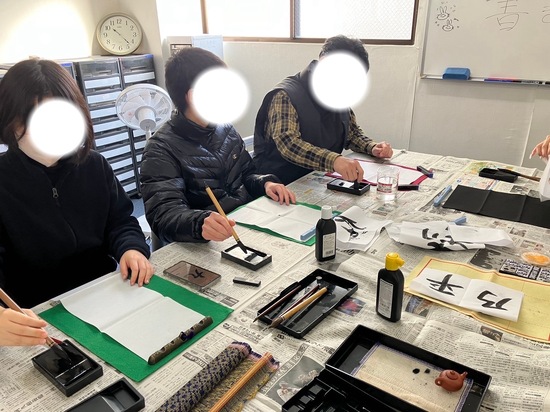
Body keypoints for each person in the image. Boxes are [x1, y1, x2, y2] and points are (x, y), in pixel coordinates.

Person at [0, 59, 154, 347]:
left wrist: (131, 248)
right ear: (10, 120)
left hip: (105, 293)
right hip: (38, 317)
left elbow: (120, 221)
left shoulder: (94, 165)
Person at [139, 47, 295, 246]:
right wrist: (199, 223)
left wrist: (265, 184)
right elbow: (163, 215)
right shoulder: (160, 149)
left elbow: (247, 174)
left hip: (245, 226)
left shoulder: (225, 129)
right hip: (204, 243)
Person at [253, 35, 394, 185]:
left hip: (317, 182)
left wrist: (372, 147)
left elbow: (351, 133)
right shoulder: (285, 95)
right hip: (278, 185)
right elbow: (289, 144)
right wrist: (334, 161)